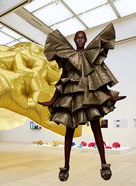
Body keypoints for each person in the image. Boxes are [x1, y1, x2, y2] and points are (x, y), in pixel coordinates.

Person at [39, 23, 126, 181]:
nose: (80, 40)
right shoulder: (69, 58)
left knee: (97, 130)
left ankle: (104, 164)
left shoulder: (90, 57)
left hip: (90, 98)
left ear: (85, 40)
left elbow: (100, 78)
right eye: (77, 37)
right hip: (72, 99)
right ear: (74, 40)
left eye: (82, 37)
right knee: (69, 133)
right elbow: (62, 80)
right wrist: (52, 100)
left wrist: (110, 95)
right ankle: (65, 167)